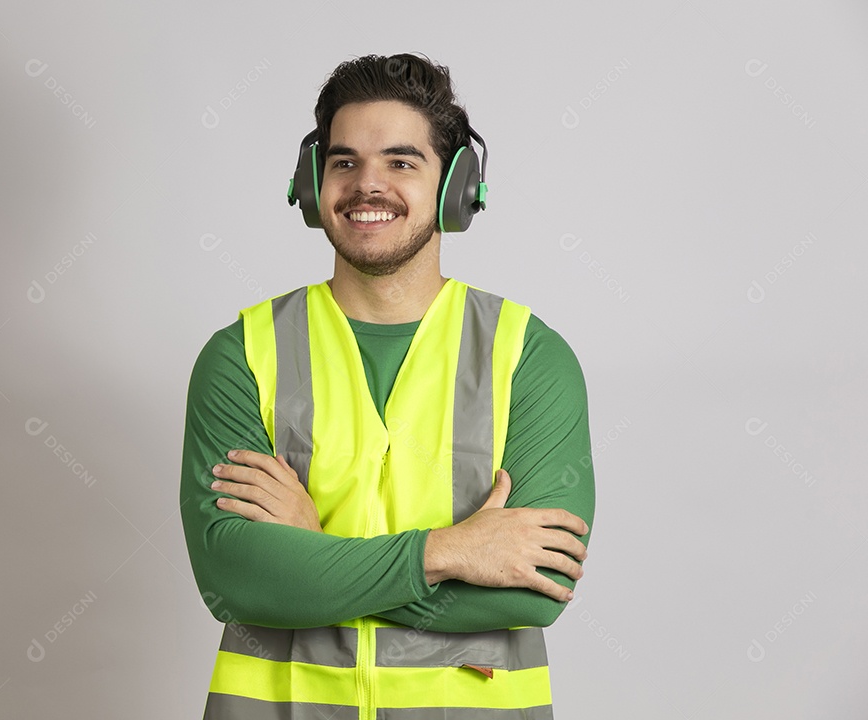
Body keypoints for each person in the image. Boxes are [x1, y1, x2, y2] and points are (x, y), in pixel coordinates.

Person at [180, 52, 595, 720]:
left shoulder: (529, 357)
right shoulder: (242, 356)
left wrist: (313, 557)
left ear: (458, 187)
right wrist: (451, 552)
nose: (367, 185)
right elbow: (237, 583)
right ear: (314, 186)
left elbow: (534, 589)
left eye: (401, 162)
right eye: (344, 163)